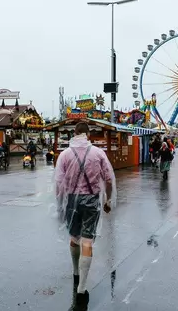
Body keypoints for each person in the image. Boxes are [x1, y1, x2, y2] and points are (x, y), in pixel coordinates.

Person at [55, 122, 116, 310]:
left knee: (74, 238)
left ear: (74, 134)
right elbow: (108, 179)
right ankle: (82, 288)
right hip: (91, 200)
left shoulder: (64, 155)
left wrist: (60, 205)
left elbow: (58, 183)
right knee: (87, 241)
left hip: (72, 200)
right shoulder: (98, 153)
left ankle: (75, 271)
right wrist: (107, 200)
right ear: (88, 135)